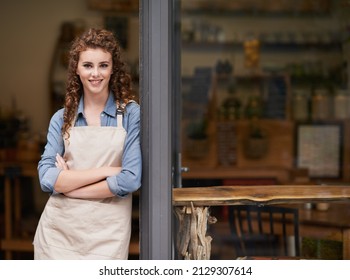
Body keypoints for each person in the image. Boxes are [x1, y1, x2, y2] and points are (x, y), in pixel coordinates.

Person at [33, 28, 142, 260]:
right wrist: (107, 171)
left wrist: (69, 188)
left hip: (108, 237)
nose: (96, 73)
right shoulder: (61, 119)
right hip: (58, 236)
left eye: (103, 65)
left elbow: (130, 178)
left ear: (113, 69)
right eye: (88, 65)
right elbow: (47, 178)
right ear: (77, 69)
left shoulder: (131, 114)